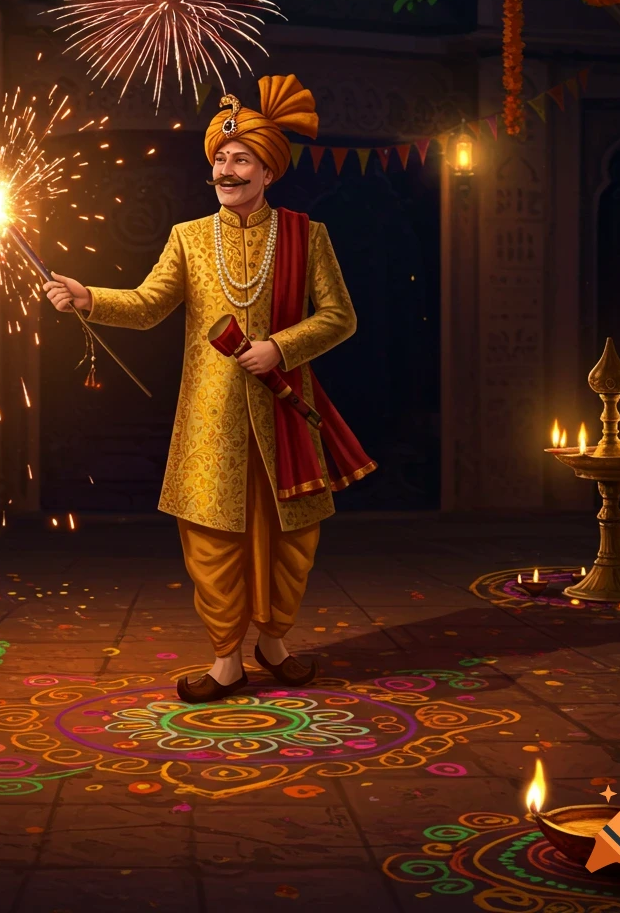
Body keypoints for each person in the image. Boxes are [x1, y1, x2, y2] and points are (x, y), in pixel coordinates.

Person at [44, 74, 375, 703]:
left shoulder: (310, 236)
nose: (227, 168)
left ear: (268, 171)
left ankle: (273, 643)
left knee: (293, 539)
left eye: (241, 158)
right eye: (220, 158)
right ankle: (227, 659)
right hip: (211, 421)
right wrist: (89, 298)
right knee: (212, 538)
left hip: (287, 416)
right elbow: (146, 306)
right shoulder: (189, 238)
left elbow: (340, 318)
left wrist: (281, 347)